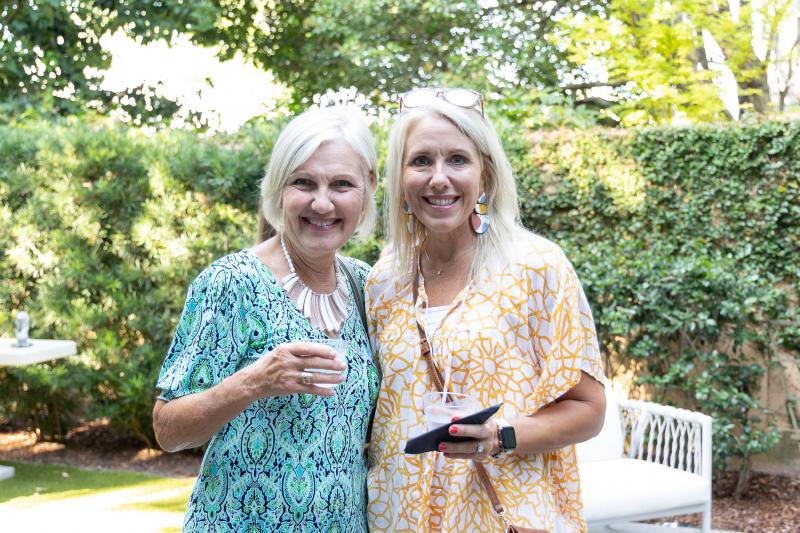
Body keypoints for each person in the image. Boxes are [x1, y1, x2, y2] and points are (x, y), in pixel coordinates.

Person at [365, 88, 606, 533]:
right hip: (397, 519)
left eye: (458, 160)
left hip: (501, 519)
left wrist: (500, 436)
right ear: (399, 178)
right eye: (421, 161)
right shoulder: (384, 280)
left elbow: (588, 409)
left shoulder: (536, 266)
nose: (439, 178)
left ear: (485, 175)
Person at [152, 106, 380, 532]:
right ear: (279, 188)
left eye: (341, 184)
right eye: (303, 182)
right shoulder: (232, 282)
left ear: (368, 188)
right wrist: (255, 381)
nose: (322, 202)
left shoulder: (366, 285)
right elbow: (168, 429)